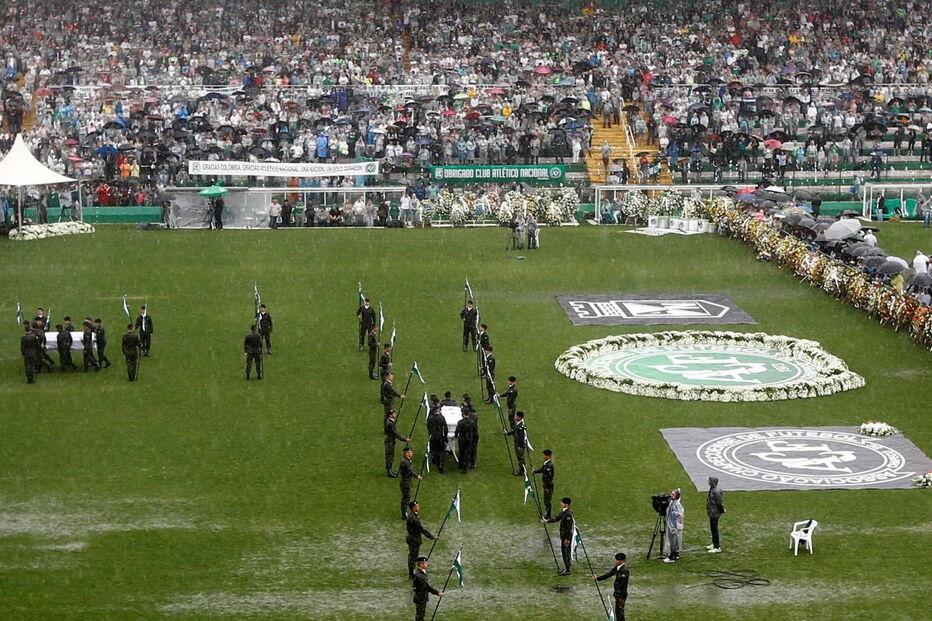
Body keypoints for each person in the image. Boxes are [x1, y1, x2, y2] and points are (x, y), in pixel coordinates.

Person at [405, 501, 439, 579]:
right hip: (414, 540)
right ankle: (411, 574)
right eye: (417, 506)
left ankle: (412, 572)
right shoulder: (413, 518)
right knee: (413, 557)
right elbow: (422, 530)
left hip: (412, 538)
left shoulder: (413, 516)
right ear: (413, 508)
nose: (419, 507)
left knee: (412, 556)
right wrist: (432, 537)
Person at [593, 552, 629, 621]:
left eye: (617, 560)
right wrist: (597, 578)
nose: (616, 561)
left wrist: (619, 595)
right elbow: (609, 574)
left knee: (620, 613)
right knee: (618, 612)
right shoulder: (617, 567)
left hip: (621, 595)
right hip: (617, 594)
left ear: (621, 560)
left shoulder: (624, 570)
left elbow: (623, 584)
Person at [543, 497, 574, 575]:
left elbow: (569, 527)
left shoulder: (568, 514)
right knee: (564, 552)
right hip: (563, 536)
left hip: (566, 537)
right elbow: (557, 518)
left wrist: (567, 539)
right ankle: (566, 568)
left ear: (566, 504)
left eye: (562, 503)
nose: (561, 504)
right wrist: (547, 521)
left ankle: (568, 570)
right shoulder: (564, 511)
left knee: (566, 552)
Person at [412, 556, 443, 621]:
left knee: (420, 614)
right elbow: (427, 587)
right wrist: (437, 593)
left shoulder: (419, 571)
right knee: (420, 615)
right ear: (421, 564)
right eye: (425, 563)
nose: (427, 564)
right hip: (421, 598)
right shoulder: (420, 576)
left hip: (420, 597)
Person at [384, 410, 410, 477]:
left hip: (389, 440)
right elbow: (396, 434)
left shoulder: (389, 421)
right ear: (390, 415)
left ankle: (389, 470)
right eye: (394, 413)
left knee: (390, 456)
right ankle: (389, 471)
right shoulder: (390, 424)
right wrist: (405, 439)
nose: (395, 414)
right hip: (390, 441)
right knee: (390, 456)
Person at [398, 446, 422, 520]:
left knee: (406, 498)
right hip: (406, 482)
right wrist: (417, 476)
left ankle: (405, 512)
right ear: (407, 453)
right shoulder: (405, 462)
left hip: (407, 481)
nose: (412, 453)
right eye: (411, 452)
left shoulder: (406, 460)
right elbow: (410, 471)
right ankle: (404, 514)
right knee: (406, 499)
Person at [663, 489, 684, 563]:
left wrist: (678, 524)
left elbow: (680, 515)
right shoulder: (673, 502)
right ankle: (676, 554)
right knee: (675, 540)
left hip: (673, 525)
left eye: (673, 494)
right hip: (672, 524)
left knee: (673, 541)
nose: (671, 495)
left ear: (676, 496)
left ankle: (672, 557)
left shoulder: (676, 504)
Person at [427, 402, 448, 474]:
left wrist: (430, 434)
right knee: (441, 451)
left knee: (434, 450)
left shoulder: (430, 418)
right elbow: (445, 428)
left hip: (433, 437)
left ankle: (436, 461)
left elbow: (428, 428)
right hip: (440, 437)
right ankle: (441, 464)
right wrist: (445, 437)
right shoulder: (442, 418)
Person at [533, 449, 555, 519]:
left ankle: (548, 515)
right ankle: (547, 513)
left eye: (544, 455)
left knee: (547, 501)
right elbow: (542, 469)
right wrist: (535, 471)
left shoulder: (548, 466)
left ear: (548, 456)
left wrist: (547, 486)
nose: (543, 456)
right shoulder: (546, 463)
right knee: (546, 500)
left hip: (548, 486)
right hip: (546, 485)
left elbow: (549, 477)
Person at [454, 409, 477, 473]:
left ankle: (461, 465)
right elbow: (474, 430)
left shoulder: (460, 422)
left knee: (462, 452)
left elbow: (457, 431)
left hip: (462, 439)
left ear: (463, 414)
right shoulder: (472, 422)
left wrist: (456, 436)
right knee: (467, 452)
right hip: (469, 439)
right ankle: (465, 465)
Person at [504, 411, 527, 475]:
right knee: (519, 456)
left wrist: (520, 446)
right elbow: (514, 431)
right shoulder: (519, 424)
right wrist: (507, 433)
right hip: (518, 443)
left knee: (520, 457)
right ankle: (521, 469)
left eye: (516, 416)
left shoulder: (521, 426)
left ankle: (522, 471)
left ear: (520, 417)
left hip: (519, 444)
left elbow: (521, 437)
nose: (515, 417)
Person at [706, 476, 725, 554]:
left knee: (714, 530)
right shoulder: (712, 489)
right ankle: (714, 543)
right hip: (712, 512)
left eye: (709, 480)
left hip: (714, 513)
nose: (708, 481)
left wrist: (722, 510)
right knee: (713, 529)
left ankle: (717, 547)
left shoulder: (715, 491)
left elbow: (719, 503)